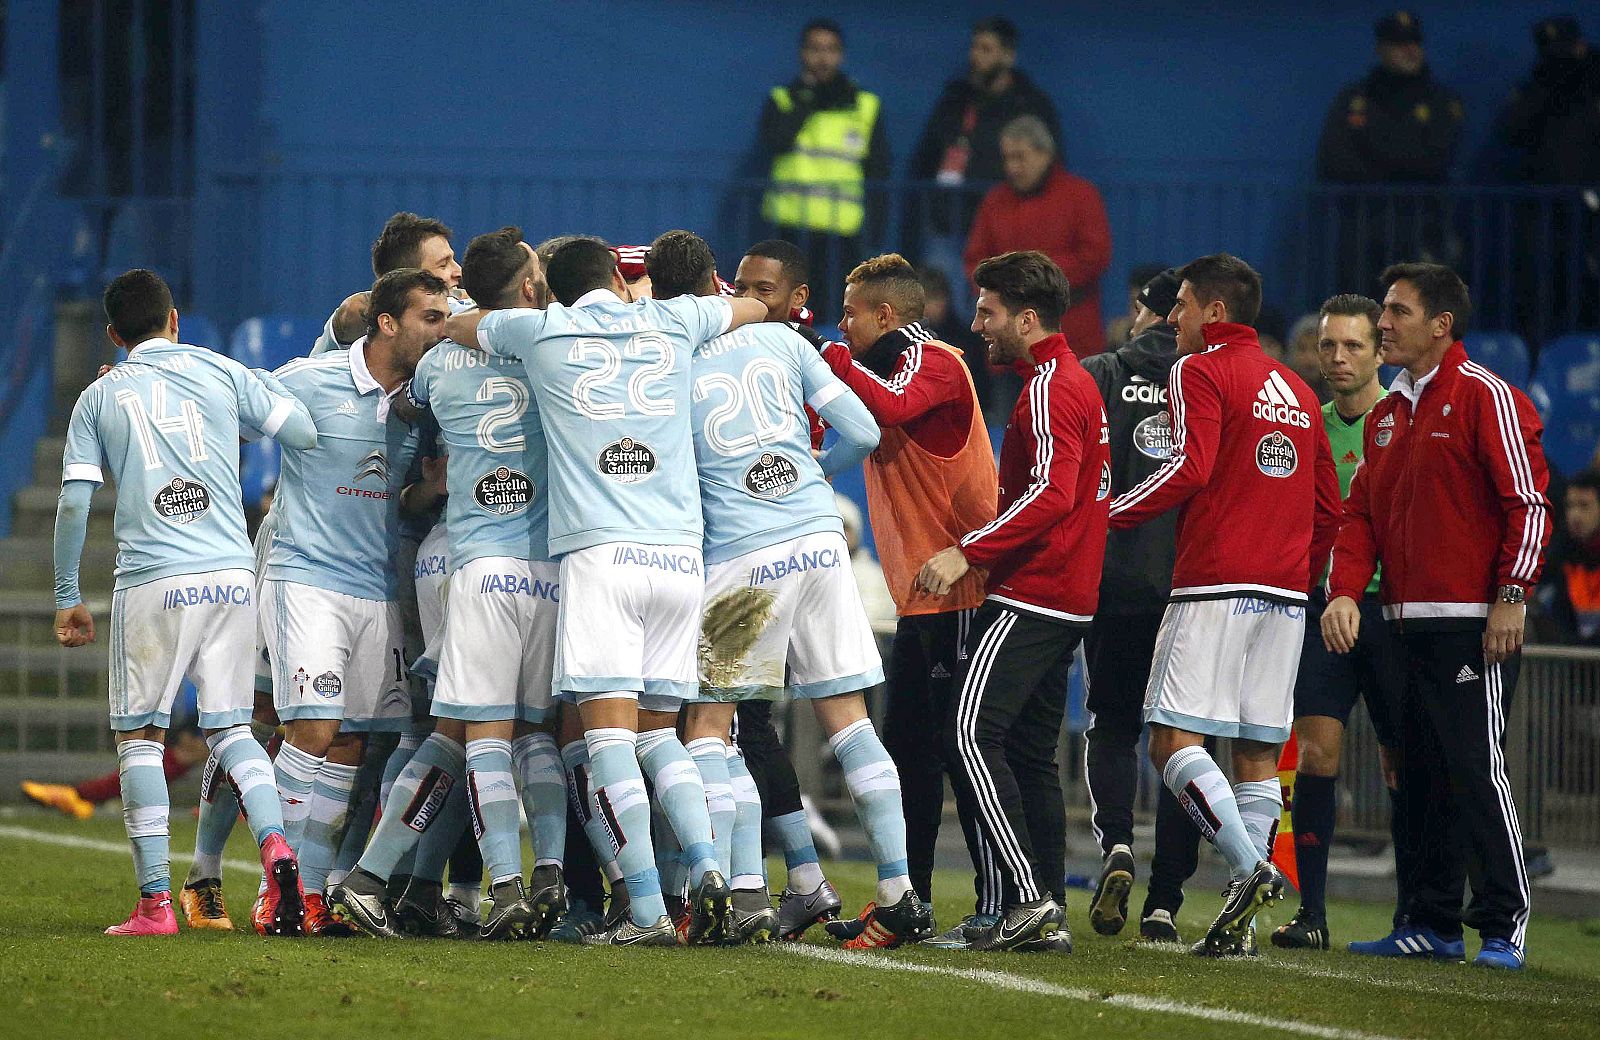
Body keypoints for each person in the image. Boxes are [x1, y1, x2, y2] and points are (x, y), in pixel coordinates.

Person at [445, 234, 768, 946]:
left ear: (554, 287)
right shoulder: (674, 320)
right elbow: (745, 308)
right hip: (680, 557)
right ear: (619, 282)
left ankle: (648, 910)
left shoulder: (541, 329)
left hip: (601, 556)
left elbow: (461, 324)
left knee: (610, 739)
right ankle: (709, 867)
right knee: (661, 735)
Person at [651, 232, 926, 948]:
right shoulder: (788, 345)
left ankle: (728, 890)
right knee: (852, 723)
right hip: (815, 538)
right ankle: (898, 891)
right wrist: (812, 469)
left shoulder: (671, 361)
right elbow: (864, 431)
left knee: (713, 727)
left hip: (740, 558)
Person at [53, 268, 319, 936]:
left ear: (114, 335)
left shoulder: (100, 396)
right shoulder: (220, 368)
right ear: (175, 320)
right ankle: (276, 847)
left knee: (139, 737)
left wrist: (66, 595)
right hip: (232, 573)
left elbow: (75, 498)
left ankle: (154, 908)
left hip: (153, 578)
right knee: (232, 729)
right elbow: (304, 431)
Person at [331, 229, 569, 941]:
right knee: (505, 730)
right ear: (528, 290)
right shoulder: (558, 350)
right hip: (542, 566)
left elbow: (402, 406)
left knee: (471, 729)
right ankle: (510, 882)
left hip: (469, 559)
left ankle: (387, 878)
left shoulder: (437, 366)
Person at [1108, 253, 1341, 957]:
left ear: (1213, 312)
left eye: (1179, 304)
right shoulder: (1297, 390)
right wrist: (1294, 571)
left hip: (1214, 581)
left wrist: (1109, 514)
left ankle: (1247, 866)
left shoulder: (1199, 369)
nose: (1170, 317)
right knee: (1259, 754)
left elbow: (1190, 465)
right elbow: (1329, 507)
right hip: (1285, 595)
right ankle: (1240, 921)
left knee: (1171, 741)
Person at [1326, 262, 1550, 970]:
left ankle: (1503, 924)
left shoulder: (1488, 397)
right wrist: (1341, 590)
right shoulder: (1389, 414)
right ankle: (1430, 922)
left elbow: (1530, 504)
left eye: (1396, 311)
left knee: (1474, 771)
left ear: (1440, 325)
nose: (1383, 322)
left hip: (1471, 625)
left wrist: (1510, 596)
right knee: (1417, 775)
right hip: (1400, 625)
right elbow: (1359, 516)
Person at [916, 249, 1110, 952]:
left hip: (1036, 592)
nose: (978, 324)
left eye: (989, 311)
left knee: (968, 736)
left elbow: (1054, 493)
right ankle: (1026, 910)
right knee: (1029, 756)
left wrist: (968, 550)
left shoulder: (1054, 386)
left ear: (1026, 319)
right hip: (1063, 594)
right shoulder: (1064, 380)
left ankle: (1026, 899)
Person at [815, 253, 1002, 928]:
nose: (842, 324)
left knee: (963, 752)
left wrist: (824, 359)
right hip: (921, 597)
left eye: (851, 312)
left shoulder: (935, 360)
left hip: (963, 588)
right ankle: (909, 902)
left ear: (885, 315)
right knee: (909, 760)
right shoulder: (885, 368)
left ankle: (999, 905)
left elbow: (893, 405)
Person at [259, 268, 440, 935]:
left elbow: (404, 500)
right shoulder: (311, 381)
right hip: (307, 578)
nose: (440, 326)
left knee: (352, 745)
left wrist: (431, 490)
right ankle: (270, 887)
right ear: (387, 321)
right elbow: (230, 411)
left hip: (374, 589)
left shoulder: (420, 405)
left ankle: (306, 895)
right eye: (428, 315)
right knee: (312, 729)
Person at [1272, 294, 1409, 952]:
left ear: (1380, 353)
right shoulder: (1307, 425)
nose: (1338, 357)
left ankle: (1416, 915)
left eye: (1353, 346)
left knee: (1403, 763)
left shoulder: (1401, 424)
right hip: (1322, 610)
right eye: (1328, 345)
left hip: (1390, 612)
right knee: (1318, 756)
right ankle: (1314, 914)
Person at [1078, 267, 1207, 943]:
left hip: (1113, 582)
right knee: (1185, 737)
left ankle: (1118, 845)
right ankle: (1164, 903)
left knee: (1113, 724)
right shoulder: (1212, 381)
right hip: (1191, 587)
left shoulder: (1099, 373)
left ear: (1142, 311)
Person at [909, 16, 1062, 310]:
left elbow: (1050, 162)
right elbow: (925, 156)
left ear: (1008, 55)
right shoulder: (955, 99)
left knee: (988, 307)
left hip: (1000, 222)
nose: (975, 56)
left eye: (986, 49)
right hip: (948, 222)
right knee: (936, 310)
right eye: (975, 48)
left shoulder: (1030, 103)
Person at [1316, 12, 1464, 292]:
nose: (1409, 50)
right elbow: (1333, 160)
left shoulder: (1441, 101)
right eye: (1399, 43)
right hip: (1365, 224)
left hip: (1423, 223)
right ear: (1381, 49)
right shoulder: (1356, 99)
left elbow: (1434, 160)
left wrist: (1374, 153)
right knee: (1361, 306)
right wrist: (1399, 161)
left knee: (1419, 309)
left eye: (1415, 42)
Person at [758, 19, 889, 321]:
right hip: (791, 226)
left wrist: (878, 224)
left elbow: (879, 168)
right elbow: (774, 142)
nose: (822, 57)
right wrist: (807, 100)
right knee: (789, 312)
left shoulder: (865, 104)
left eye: (830, 49)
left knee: (838, 313)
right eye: (815, 49)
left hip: (842, 231)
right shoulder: (783, 98)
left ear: (841, 55)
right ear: (802, 53)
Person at [963, 116, 1111, 357]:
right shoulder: (995, 201)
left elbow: (1095, 255)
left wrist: (1027, 281)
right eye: (1007, 158)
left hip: (1073, 336)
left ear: (1045, 154)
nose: (1012, 167)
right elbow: (975, 259)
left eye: (1020, 157)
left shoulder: (1081, 195)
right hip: (1007, 344)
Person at [1497, 17, 1600, 335]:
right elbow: (1511, 132)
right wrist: (1547, 84)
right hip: (1543, 216)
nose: (1561, 62)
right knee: (1541, 290)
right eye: (1552, 54)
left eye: (1566, 52)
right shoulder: (1536, 90)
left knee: (1589, 290)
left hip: (1591, 214)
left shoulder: (1594, 87)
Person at [1536, 471, 1600, 646]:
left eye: (1584, 505)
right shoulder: (1560, 551)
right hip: (1570, 661)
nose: (1575, 515)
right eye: (1570, 506)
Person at [836, 494, 896, 630]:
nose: (839, 534)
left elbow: (872, 618)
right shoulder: (808, 575)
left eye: (845, 527)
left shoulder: (873, 576)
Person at [1105, 263, 1172, 347]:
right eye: (1133, 304)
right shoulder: (1121, 337)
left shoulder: (1181, 346)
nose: (1136, 316)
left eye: (1145, 308)